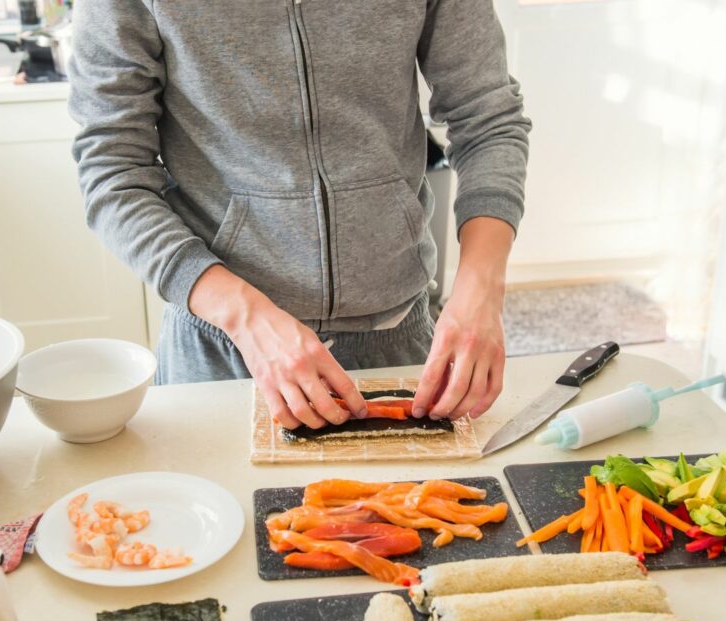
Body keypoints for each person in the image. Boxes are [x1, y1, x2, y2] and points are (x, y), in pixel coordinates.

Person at [68, 1, 530, 432]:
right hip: (221, 350)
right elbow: (114, 171)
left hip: (397, 340)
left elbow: (489, 120)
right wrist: (247, 318)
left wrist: (480, 292)